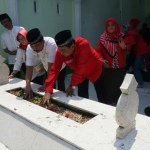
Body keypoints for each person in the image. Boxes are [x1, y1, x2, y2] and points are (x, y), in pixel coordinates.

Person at [41, 30, 107, 106]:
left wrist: (72, 86)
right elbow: (54, 70)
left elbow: (80, 67)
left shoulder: (83, 44)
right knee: (82, 94)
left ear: (72, 46)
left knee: (101, 94)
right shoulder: (60, 53)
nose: (61, 53)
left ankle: (105, 113)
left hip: (94, 69)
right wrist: (48, 90)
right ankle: (84, 111)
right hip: (81, 75)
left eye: (63, 50)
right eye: (59, 50)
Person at [24, 28, 67, 99]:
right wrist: (28, 85)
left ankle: (62, 100)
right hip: (47, 67)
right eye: (32, 46)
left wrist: (47, 86)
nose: (34, 48)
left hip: (59, 66)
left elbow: (52, 67)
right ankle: (50, 97)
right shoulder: (29, 48)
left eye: (37, 45)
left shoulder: (51, 44)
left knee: (60, 84)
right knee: (51, 86)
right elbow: (29, 68)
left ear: (43, 41)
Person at [96, 18, 126, 106]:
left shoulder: (122, 36)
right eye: (108, 25)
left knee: (118, 86)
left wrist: (124, 47)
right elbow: (98, 51)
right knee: (108, 86)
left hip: (119, 67)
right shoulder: (102, 38)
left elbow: (129, 47)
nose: (110, 27)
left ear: (116, 25)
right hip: (107, 66)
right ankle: (109, 104)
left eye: (112, 25)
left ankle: (117, 103)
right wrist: (101, 59)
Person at [120, 19, 150, 88]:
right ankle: (139, 80)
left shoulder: (131, 34)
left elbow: (132, 45)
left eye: (124, 28)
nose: (123, 30)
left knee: (136, 67)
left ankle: (140, 83)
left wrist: (127, 51)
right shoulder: (133, 31)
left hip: (141, 51)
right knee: (136, 66)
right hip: (144, 50)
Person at [0, 13, 24, 77]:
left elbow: (27, 42)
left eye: (6, 21)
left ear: (10, 21)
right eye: (3, 23)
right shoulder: (3, 35)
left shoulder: (20, 29)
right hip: (13, 60)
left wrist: (20, 51)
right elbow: (4, 48)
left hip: (24, 57)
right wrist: (10, 52)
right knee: (15, 78)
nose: (5, 24)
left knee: (30, 75)